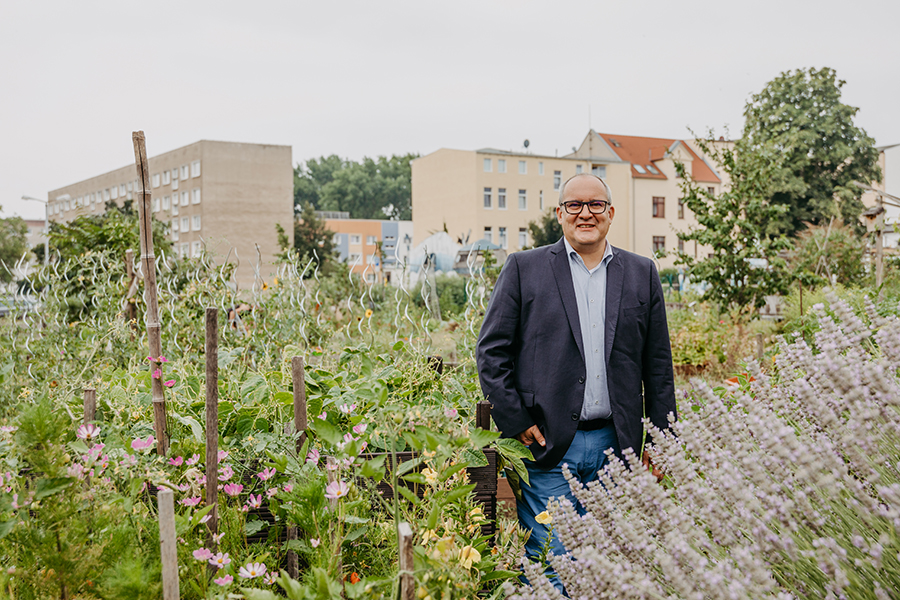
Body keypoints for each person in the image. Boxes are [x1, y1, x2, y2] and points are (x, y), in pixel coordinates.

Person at [476, 173, 676, 591]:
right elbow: (491, 352)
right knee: (554, 564)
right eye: (574, 205)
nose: (585, 213)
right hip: (547, 446)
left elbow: (658, 366)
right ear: (560, 214)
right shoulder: (524, 269)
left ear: (611, 213)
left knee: (609, 564)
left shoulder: (642, 273)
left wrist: (662, 445)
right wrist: (515, 420)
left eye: (596, 204)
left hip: (616, 448)